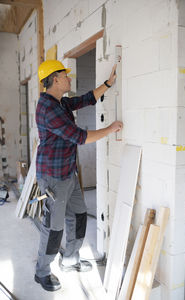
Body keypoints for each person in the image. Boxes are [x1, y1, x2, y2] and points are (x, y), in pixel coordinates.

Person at [34, 59, 123, 292]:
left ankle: (70, 260)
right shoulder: (47, 108)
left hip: (68, 172)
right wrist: (110, 129)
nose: (69, 78)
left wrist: (108, 84)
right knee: (53, 227)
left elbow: (85, 100)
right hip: (53, 177)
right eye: (66, 75)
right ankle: (41, 271)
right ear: (55, 79)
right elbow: (78, 136)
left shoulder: (60, 102)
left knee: (80, 215)